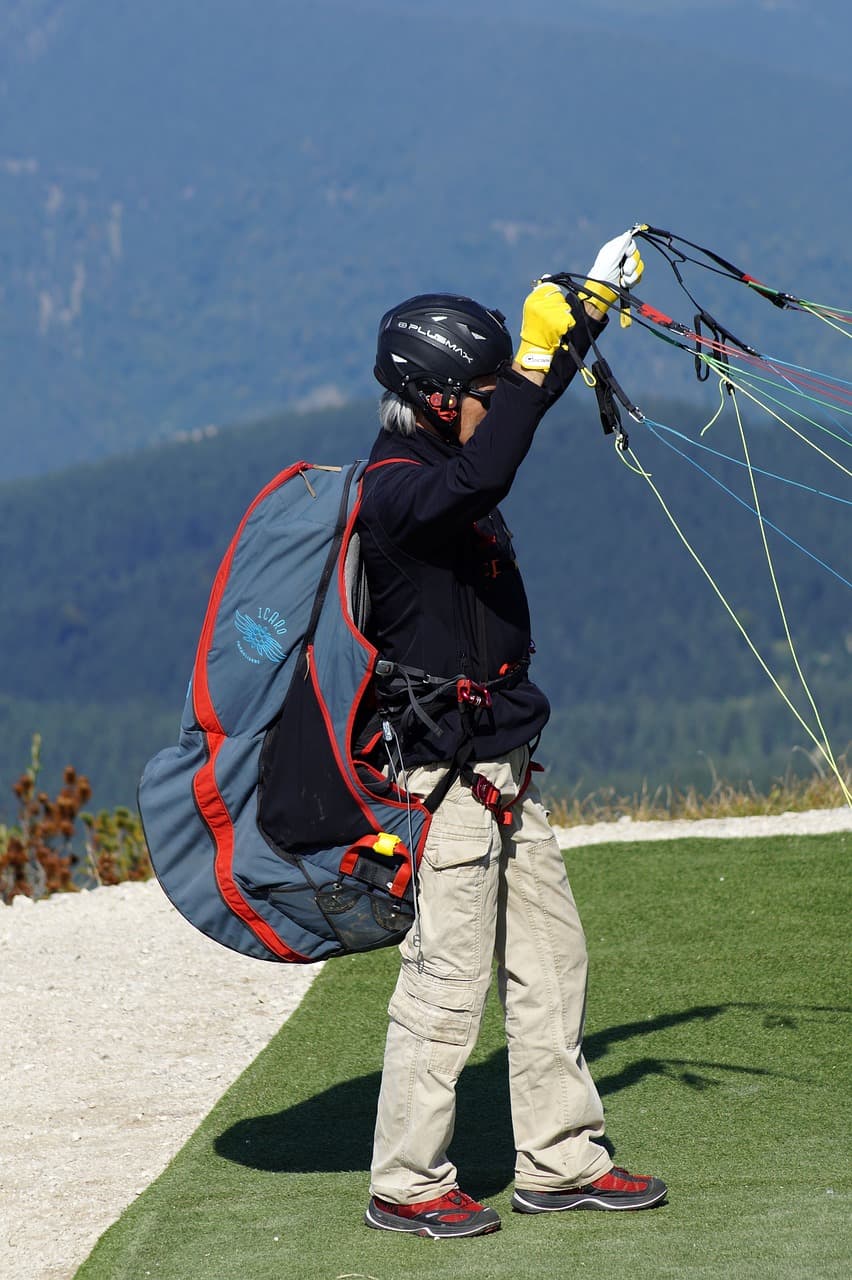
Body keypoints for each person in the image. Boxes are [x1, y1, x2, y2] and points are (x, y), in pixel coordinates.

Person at [356, 231, 667, 1238]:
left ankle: (560, 1161)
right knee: (447, 985)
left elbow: (504, 434)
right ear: (436, 398)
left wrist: (583, 319)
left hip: (504, 768)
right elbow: (485, 475)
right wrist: (533, 361)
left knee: (552, 963)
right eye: (481, 388)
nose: (497, 399)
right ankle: (406, 1181)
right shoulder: (399, 489)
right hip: (442, 783)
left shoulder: (449, 455)